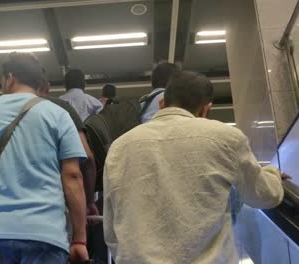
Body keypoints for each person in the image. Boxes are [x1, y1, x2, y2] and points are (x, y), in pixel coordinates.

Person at [104, 71, 284, 264]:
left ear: (161, 104)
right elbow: (264, 195)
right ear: (206, 109)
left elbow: (111, 230)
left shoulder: (120, 147)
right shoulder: (225, 138)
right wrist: (272, 173)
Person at [0, 53, 89, 264]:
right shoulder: (58, 114)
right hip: (46, 233)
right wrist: (80, 239)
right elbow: (73, 175)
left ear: (9, 78)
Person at [37, 78, 99, 216]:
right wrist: (88, 202)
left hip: (2, 221)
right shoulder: (59, 107)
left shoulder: (1, 113)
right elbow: (86, 158)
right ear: (47, 86)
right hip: (56, 205)